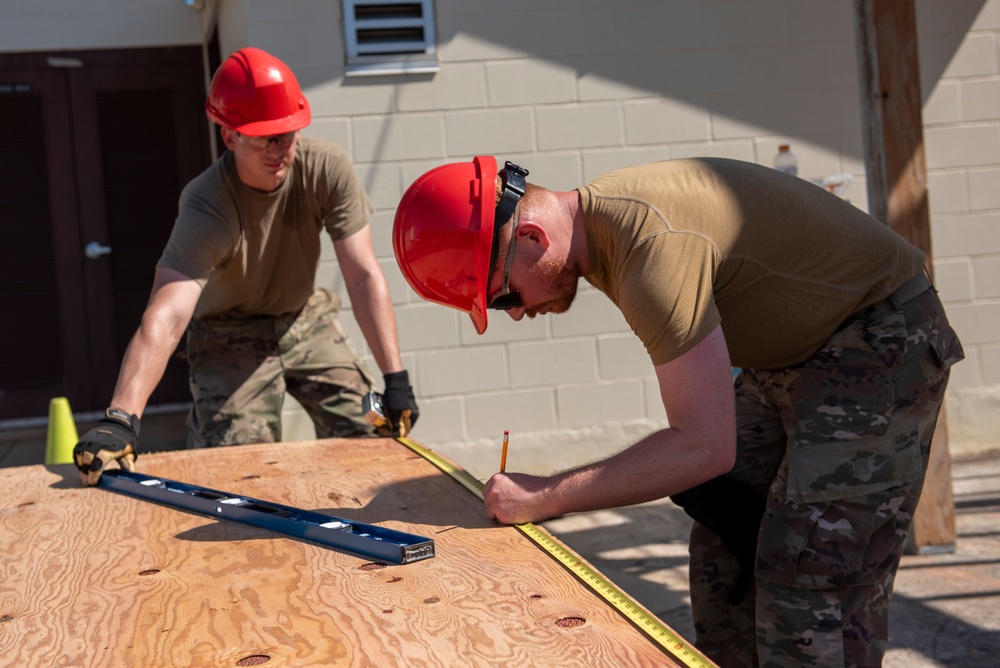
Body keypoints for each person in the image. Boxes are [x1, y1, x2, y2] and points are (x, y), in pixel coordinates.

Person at [391, 156, 964, 667]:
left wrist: (545, 494)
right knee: (724, 543)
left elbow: (704, 446)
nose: (515, 313)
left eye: (503, 296)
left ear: (535, 238)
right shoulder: (602, 229)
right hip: (798, 352)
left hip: (878, 339)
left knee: (811, 568)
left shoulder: (649, 249)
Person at [73, 47, 418, 486]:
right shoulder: (206, 205)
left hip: (303, 320)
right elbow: (168, 312)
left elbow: (363, 273)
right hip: (226, 334)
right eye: (264, 138)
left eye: (288, 135)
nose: (279, 150)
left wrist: (395, 378)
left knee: (377, 425)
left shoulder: (326, 168)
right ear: (230, 136)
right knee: (236, 466)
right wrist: (121, 417)